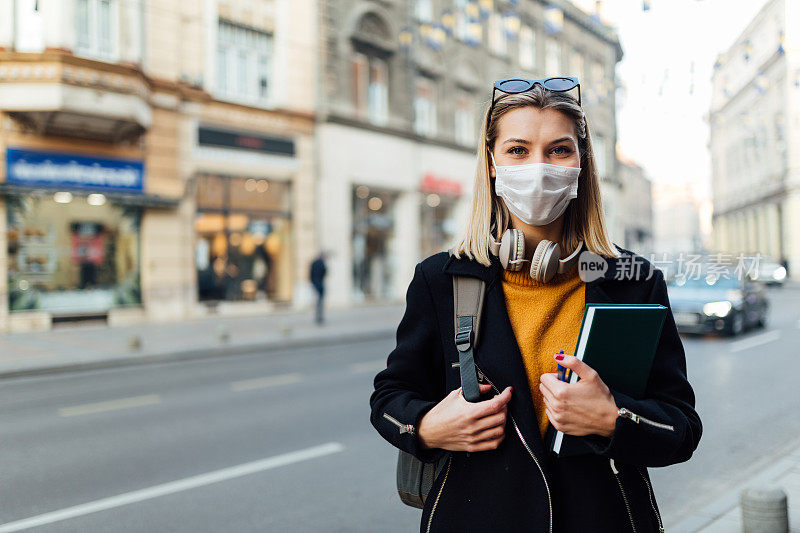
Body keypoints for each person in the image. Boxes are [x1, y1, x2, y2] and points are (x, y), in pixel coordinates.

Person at [369, 78, 701, 532]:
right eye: (518, 150)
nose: (539, 167)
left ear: (581, 163)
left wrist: (613, 418)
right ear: (491, 163)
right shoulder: (441, 279)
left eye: (559, 150)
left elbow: (681, 429)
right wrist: (425, 427)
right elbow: (389, 397)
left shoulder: (633, 280)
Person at [309, 251, 327, 324]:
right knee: (320, 301)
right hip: (320, 283)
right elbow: (325, 272)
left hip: (315, 283)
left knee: (317, 300)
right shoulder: (322, 263)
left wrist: (312, 282)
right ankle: (320, 316)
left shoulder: (314, 263)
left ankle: (317, 316)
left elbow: (310, 273)